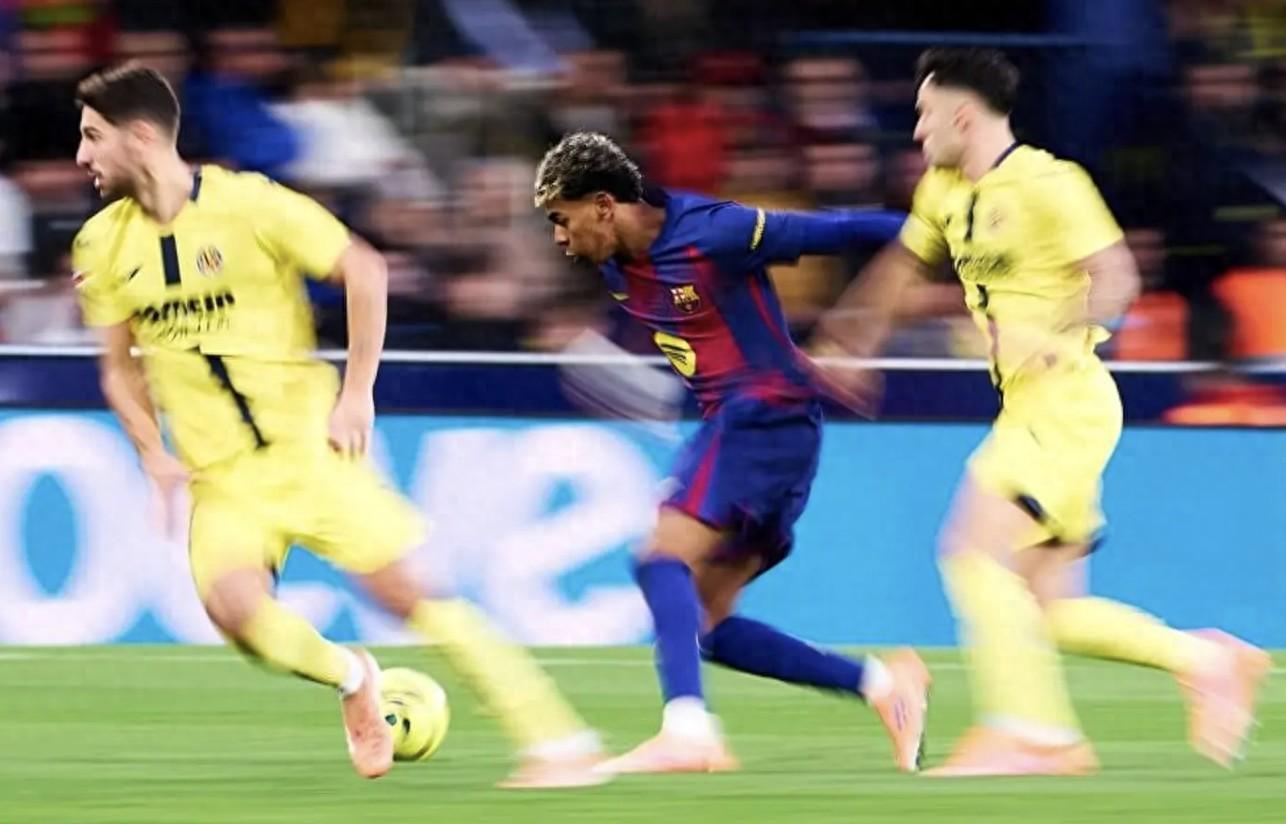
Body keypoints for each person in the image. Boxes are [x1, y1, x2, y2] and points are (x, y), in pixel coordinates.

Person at [71, 62, 607, 789]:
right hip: (220, 477)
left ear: (140, 137)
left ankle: (560, 741)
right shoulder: (100, 244)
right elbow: (118, 367)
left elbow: (365, 269)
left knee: (406, 592)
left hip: (307, 449)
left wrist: (357, 393)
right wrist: (151, 453)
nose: (82, 155)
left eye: (93, 136)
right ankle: (353, 677)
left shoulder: (250, 204)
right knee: (237, 615)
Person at [812, 48, 1269, 776]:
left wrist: (1055, 333)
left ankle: (1034, 734)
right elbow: (901, 265)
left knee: (971, 553)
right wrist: (851, 339)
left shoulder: (1051, 183)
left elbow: (1116, 277)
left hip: (1065, 401)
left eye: (926, 115)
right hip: (1035, 408)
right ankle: (1206, 659)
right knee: (1046, 608)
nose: (918, 131)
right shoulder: (942, 189)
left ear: (964, 116)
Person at [534, 131, 931, 775]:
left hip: (763, 418)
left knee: (660, 561)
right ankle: (884, 685)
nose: (558, 237)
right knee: (706, 624)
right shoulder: (614, 267)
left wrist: (943, 242)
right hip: (764, 428)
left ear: (604, 205)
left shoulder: (715, 230)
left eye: (561, 218)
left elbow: (849, 231)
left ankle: (688, 732)